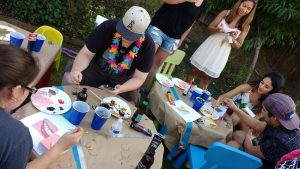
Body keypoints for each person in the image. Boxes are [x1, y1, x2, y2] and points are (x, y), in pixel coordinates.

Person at [0, 44, 84, 169]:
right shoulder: (16, 136)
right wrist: (59, 148)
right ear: (15, 91)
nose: (30, 91)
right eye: (30, 88)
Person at [62, 6, 155, 102]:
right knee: (70, 77)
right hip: (95, 67)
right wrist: (76, 71)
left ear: (141, 34)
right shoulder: (107, 27)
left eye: (131, 36)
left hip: (122, 79)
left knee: (131, 101)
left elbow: (139, 78)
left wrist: (120, 89)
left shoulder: (148, 45)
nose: (125, 37)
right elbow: (86, 54)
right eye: (123, 32)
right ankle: (64, 102)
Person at [187, 0, 257, 89]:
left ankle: (196, 100)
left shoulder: (246, 26)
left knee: (207, 79)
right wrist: (219, 30)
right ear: (239, 3)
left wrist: (233, 39)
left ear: (250, 11)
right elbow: (209, 28)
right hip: (210, 45)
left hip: (222, 53)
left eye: (248, 9)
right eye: (244, 5)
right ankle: (184, 91)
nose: (244, 10)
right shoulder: (226, 13)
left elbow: (238, 45)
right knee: (194, 71)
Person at [224, 93, 300, 169]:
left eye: (264, 110)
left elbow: (249, 150)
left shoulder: (279, 142)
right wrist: (234, 108)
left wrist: (248, 137)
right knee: (238, 135)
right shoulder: (284, 119)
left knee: (232, 144)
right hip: (266, 152)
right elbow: (257, 124)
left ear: (274, 118)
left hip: (262, 165)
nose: (262, 112)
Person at [145, 0, 207, 86]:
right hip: (159, 27)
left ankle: (140, 89)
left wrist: (180, 41)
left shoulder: (204, 3)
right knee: (147, 57)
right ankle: (130, 84)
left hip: (174, 38)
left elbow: (191, 23)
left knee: (157, 63)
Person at [213, 72, 285, 128]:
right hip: (225, 110)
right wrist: (217, 102)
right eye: (262, 82)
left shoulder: (266, 104)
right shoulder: (248, 88)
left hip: (241, 121)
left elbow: (255, 119)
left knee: (237, 121)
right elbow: (223, 96)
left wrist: (243, 114)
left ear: (272, 91)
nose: (261, 87)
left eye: (266, 87)